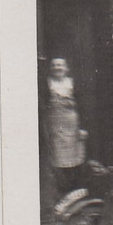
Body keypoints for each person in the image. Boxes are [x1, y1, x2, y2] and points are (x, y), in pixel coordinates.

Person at [45, 58, 89, 194]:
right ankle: (62, 191)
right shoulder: (47, 84)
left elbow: (83, 106)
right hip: (55, 127)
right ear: (50, 69)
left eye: (60, 65)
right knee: (57, 159)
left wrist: (83, 127)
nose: (57, 68)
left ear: (66, 68)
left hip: (72, 126)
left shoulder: (72, 84)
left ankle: (75, 190)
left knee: (76, 159)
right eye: (54, 65)